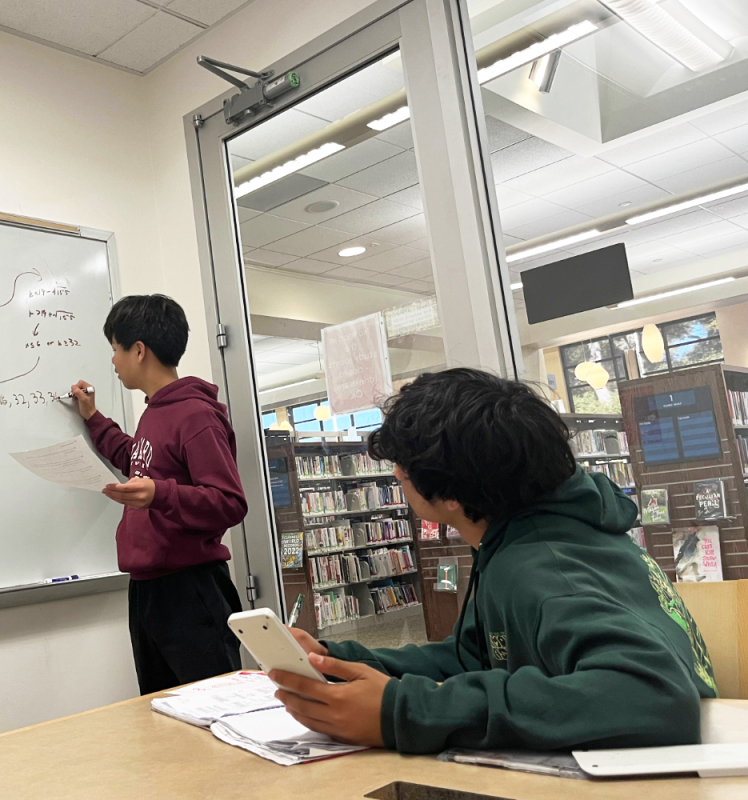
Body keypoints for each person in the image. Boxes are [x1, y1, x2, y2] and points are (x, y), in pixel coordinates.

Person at [271, 368, 716, 753]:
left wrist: (407, 711)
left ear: (449, 495)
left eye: (403, 470)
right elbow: (480, 655)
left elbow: (653, 695)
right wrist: (337, 659)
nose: (395, 476)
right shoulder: (535, 536)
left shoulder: (544, 568)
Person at [70, 294, 247, 695]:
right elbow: (136, 459)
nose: (112, 361)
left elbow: (229, 502)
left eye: (115, 349)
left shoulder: (195, 415)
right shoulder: (156, 411)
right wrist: (94, 419)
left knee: (214, 713)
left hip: (191, 590)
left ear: (138, 350)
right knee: (164, 716)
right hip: (148, 588)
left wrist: (159, 494)